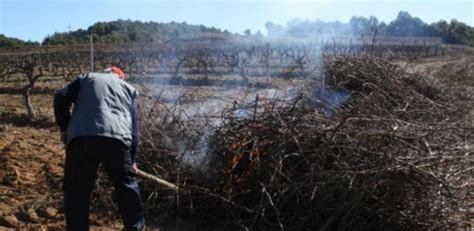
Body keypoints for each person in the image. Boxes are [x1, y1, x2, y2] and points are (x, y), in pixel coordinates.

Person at [54, 66, 145, 231]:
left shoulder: (87, 78)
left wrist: (65, 128)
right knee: (127, 187)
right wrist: (132, 160)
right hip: (117, 141)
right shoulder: (127, 89)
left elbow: (60, 96)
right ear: (120, 77)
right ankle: (135, 228)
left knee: (77, 190)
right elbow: (134, 131)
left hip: (82, 139)